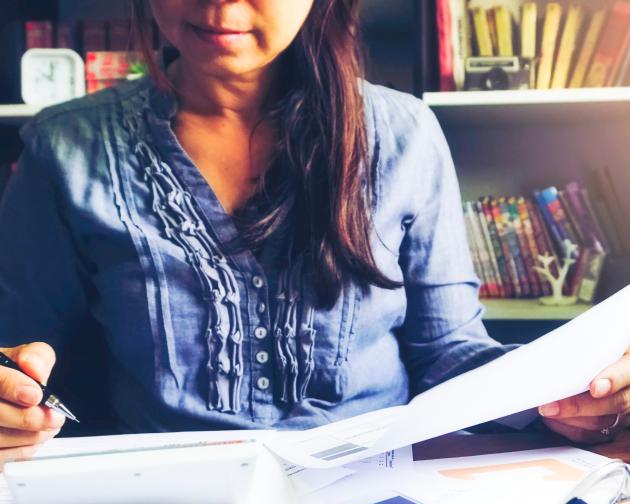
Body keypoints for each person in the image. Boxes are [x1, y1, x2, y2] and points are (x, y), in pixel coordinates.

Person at [0, 0, 628, 469]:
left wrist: (567, 400)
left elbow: (449, 353)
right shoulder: (64, 148)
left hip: (376, 489)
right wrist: (14, 397)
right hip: (160, 503)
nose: (221, 6)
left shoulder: (403, 132)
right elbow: (20, 349)